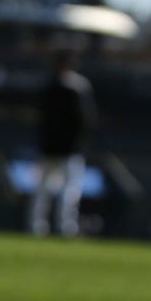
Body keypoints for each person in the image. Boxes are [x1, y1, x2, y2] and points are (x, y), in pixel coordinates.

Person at [29, 48, 97, 238]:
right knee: (67, 189)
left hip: (51, 147)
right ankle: (64, 227)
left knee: (45, 189)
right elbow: (86, 120)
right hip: (67, 148)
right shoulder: (77, 86)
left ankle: (38, 227)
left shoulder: (50, 85)